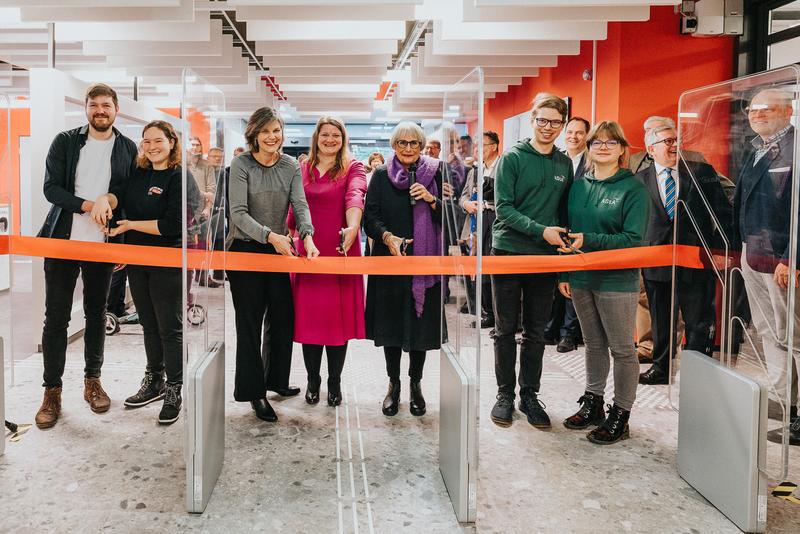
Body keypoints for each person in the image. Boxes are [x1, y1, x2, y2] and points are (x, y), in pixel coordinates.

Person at [34, 83, 138, 430]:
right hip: (62, 241)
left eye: (106, 105)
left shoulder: (126, 147)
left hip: (102, 244)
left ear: (116, 109)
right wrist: (87, 204)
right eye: (94, 105)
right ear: (86, 109)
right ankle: (52, 391)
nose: (100, 111)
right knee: (56, 319)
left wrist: (111, 205)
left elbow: (128, 194)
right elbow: (51, 188)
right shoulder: (65, 141)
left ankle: (93, 382)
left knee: (96, 314)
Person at [558, 121, 650, 444]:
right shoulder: (579, 187)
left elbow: (632, 239)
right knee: (593, 344)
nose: (603, 147)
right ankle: (594, 402)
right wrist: (564, 273)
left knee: (623, 349)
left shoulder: (633, 189)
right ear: (589, 147)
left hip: (617, 280)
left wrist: (590, 240)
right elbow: (567, 231)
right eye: (597, 142)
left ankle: (621, 415)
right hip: (581, 277)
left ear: (623, 150)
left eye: (612, 142)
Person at [227, 106, 319, 423]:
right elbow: (237, 214)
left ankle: (276, 379)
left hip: (278, 249)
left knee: (282, 317)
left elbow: (300, 204)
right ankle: (254, 392)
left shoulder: (291, 164)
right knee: (250, 323)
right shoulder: (240, 164)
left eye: (276, 130)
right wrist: (271, 236)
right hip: (245, 248)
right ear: (254, 133)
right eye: (265, 131)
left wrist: (307, 236)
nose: (272, 136)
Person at [489, 93, 573, 429]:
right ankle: (504, 394)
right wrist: (541, 231)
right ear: (532, 120)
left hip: (544, 258)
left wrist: (560, 252)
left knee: (536, 331)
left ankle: (530, 395)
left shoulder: (564, 164)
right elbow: (504, 209)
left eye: (555, 122)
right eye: (543, 120)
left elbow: (564, 213)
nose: (548, 127)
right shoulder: (512, 158)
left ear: (562, 124)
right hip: (508, 251)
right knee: (505, 329)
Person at [101, 120, 186, 424]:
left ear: (172, 143)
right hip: (137, 260)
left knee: (170, 327)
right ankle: (155, 380)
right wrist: (106, 204)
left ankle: (176, 386)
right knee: (148, 323)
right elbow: (120, 202)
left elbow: (172, 225)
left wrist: (131, 226)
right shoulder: (138, 174)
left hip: (167, 259)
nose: (152, 147)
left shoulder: (178, 176)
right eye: (146, 141)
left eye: (158, 141)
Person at [637, 124, 732, 385]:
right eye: (667, 141)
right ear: (650, 149)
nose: (674, 145)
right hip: (655, 260)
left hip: (696, 259)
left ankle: (697, 373)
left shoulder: (701, 172)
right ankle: (661, 368)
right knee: (661, 319)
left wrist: (723, 249)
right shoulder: (638, 179)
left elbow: (722, 211)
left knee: (698, 319)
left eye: (677, 140)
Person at [364, 121, 443, 417]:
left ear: (422, 146)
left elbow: (453, 211)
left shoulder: (437, 171)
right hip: (390, 262)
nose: (408, 149)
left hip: (424, 266)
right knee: (392, 327)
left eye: (414, 143)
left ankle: (416, 385)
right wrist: (387, 237)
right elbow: (369, 218)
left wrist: (432, 199)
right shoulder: (382, 175)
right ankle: (394, 385)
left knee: (419, 327)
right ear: (393, 146)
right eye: (402, 143)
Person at [735, 88, 799, 445]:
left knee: (794, 333)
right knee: (768, 330)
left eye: (766, 109)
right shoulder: (757, 147)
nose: (757, 114)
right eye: (753, 109)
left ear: (788, 111)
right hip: (753, 252)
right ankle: (782, 397)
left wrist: (792, 258)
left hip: (781, 258)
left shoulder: (797, 147)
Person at [290, 116, 367, 406]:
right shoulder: (301, 169)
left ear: (343, 138)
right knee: (310, 322)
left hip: (339, 249)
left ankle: (334, 381)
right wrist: (289, 235)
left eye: (336, 135)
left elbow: (355, 196)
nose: (331, 139)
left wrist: (353, 227)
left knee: (337, 324)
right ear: (316, 137)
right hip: (308, 252)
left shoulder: (353, 167)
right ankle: (313, 379)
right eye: (325, 134)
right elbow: (294, 207)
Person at [545, 116, 590, 352]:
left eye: (579, 133)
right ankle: (550, 329)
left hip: (579, 227)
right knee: (555, 280)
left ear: (586, 136)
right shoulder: (557, 159)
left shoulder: (591, 162)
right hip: (555, 225)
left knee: (573, 280)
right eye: (570, 132)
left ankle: (569, 333)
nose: (573, 136)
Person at [459, 130, 501, 328]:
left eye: (481, 145)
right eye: (476, 146)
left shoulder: (504, 168)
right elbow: (463, 197)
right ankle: (486, 312)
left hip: (496, 223)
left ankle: (499, 314)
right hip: (476, 225)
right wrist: (467, 204)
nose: (477, 150)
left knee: (495, 269)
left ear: (493, 146)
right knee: (478, 270)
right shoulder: (474, 172)